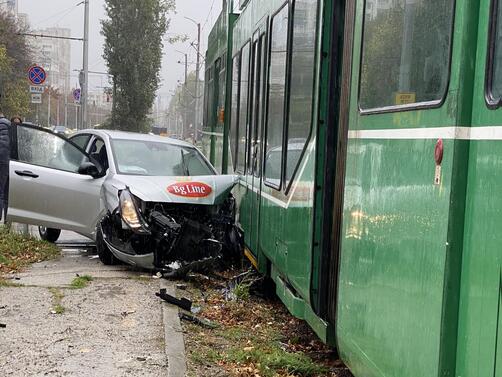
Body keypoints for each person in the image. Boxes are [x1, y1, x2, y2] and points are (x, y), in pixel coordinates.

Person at [0, 111, 10, 222]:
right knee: (7, 195)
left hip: (2, 161)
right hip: (10, 163)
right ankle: (7, 223)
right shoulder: (10, 125)